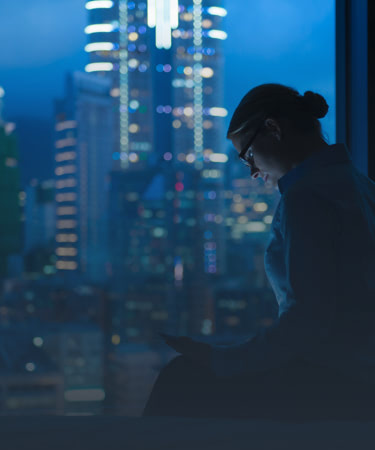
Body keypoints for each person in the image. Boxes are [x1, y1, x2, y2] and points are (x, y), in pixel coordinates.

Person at [142, 83, 375, 420]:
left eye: (248, 155)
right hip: (362, 371)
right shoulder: (363, 187)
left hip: (335, 377)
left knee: (181, 378)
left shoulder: (306, 199)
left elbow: (307, 320)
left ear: (273, 128)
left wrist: (219, 360)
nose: (251, 171)